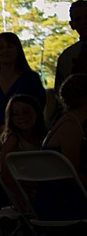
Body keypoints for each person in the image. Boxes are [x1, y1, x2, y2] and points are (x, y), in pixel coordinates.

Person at [0, 31, 47, 149]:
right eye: (1, 47)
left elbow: (39, 107)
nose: (5, 50)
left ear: (18, 49)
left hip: (26, 139)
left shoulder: (31, 78)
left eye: (10, 46)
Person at [33, 74, 87, 220]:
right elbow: (72, 175)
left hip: (55, 199)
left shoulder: (66, 122)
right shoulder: (71, 127)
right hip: (62, 203)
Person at [0, 93, 46, 210]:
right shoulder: (13, 139)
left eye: (26, 112)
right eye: (15, 114)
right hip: (24, 191)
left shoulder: (44, 136)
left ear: (36, 112)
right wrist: (19, 195)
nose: (21, 117)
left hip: (43, 184)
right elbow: (5, 170)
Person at [50, 0, 87, 118]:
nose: (84, 22)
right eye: (78, 19)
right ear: (72, 25)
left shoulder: (68, 56)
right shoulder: (67, 57)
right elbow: (59, 96)